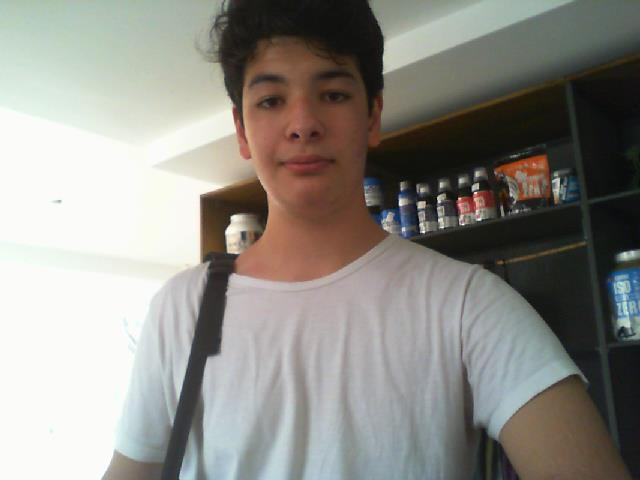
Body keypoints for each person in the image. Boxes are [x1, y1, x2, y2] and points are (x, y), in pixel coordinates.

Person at [103, 0, 631, 478]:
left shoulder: (466, 306)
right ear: (241, 131)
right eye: (271, 100)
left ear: (373, 116)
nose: (303, 123)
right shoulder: (182, 308)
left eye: (333, 94)